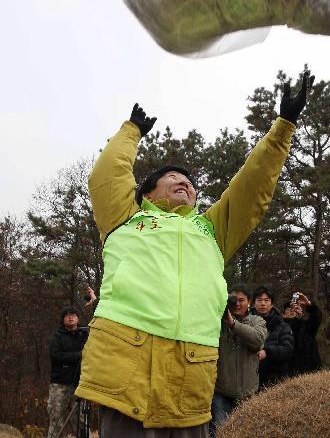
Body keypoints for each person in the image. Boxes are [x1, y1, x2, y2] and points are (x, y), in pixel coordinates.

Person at [76, 70, 314, 437]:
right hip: (126, 372)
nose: (185, 182)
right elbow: (106, 175)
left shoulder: (210, 230)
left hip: (192, 378)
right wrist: (130, 132)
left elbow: (251, 188)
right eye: (173, 178)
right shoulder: (126, 218)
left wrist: (283, 126)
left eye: (189, 182)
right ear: (149, 194)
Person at [210, 286, 266, 436]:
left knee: (245, 433)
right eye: (234, 300)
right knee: (220, 432)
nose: (238, 304)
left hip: (248, 394)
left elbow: (258, 340)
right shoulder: (217, 323)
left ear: (249, 302)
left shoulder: (256, 320)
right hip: (221, 393)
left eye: (242, 300)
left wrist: (233, 324)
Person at [47, 306, 89, 438]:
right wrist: (79, 355)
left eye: (73, 315)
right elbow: (56, 356)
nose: (70, 317)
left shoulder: (84, 334)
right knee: (56, 420)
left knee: (81, 422)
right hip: (60, 385)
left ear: (78, 318)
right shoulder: (57, 337)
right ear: (63, 319)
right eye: (67, 315)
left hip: (80, 385)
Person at [252, 286, 294, 388]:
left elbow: (288, 349)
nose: (263, 304)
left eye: (266, 300)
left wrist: (267, 352)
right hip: (249, 378)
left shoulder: (282, 325)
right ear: (253, 303)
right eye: (259, 300)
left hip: (274, 380)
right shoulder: (245, 322)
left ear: (272, 304)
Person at [282, 292, 322, 376]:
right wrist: (295, 320)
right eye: (289, 309)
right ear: (284, 315)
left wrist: (308, 304)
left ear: (302, 312)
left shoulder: (307, 326)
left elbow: (317, 318)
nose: (293, 310)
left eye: (296, 308)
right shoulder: (281, 328)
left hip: (311, 371)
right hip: (291, 372)